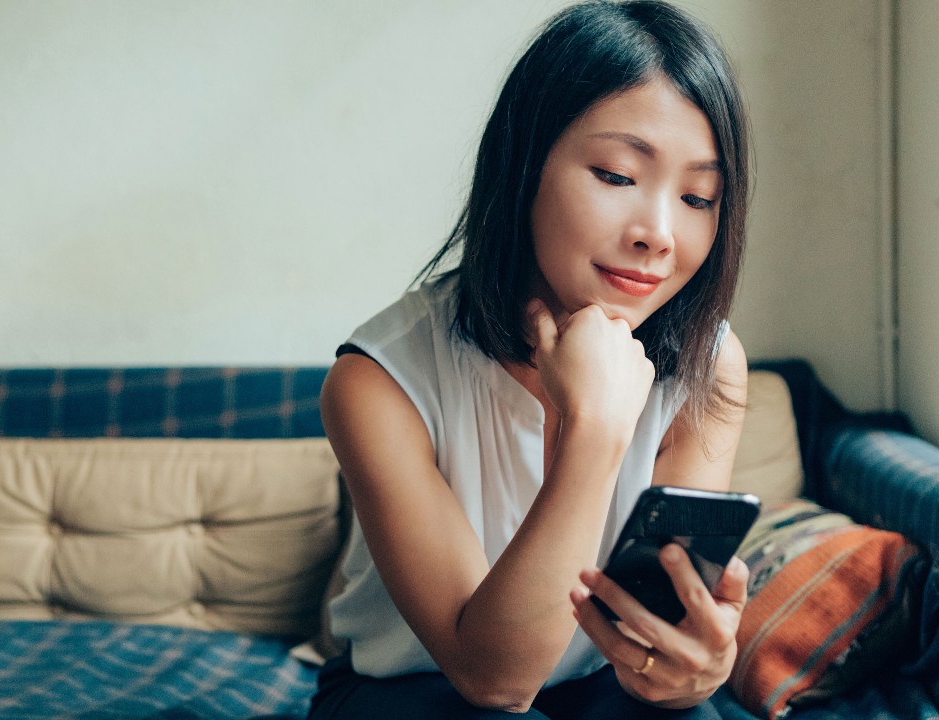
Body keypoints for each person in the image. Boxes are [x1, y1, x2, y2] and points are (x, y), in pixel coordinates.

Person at [312, 1, 751, 717]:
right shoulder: (376, 382)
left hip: (601, 688)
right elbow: (495, 681)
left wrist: (697, 669)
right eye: (615, 175)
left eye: (699, 196)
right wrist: (595, 430)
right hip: (414, 689)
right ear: (524, 168)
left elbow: (656, 629)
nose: (659, 234)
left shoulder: (710, 363)